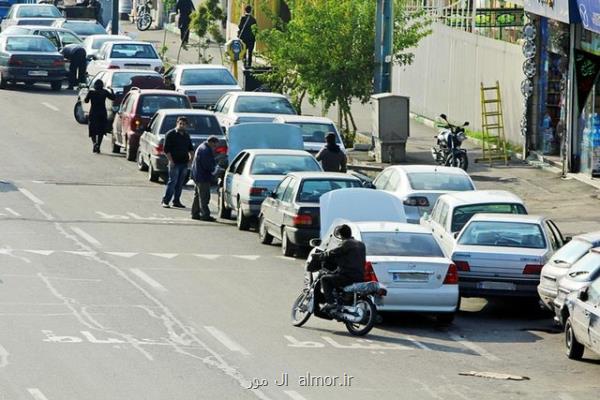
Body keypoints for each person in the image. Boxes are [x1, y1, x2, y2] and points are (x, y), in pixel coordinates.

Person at [318, 224, 366, 312]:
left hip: (348, 277)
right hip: (360, 276)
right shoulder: (361, 244)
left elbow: (333, 252)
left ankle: (330, 303)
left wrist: (322, 255)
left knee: (325, 279)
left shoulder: (346, 243)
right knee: (335, 277)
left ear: (340, 235)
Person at [162, 116, 194, 208]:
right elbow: (166, 150)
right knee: (172, 182)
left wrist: (191, 160)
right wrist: (170, 161)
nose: (182, 125)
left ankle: (176, 201)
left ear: (186, 125)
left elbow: (190, 149)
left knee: (180, 184)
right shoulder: (170, 134)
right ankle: (165, 201)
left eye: (184, 124)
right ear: (177, 123)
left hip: (184, 163)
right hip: (174, 163)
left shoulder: (186, 135)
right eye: (180, 123)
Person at [190, 136, 219, 221]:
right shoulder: (205, 150)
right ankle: (205, 215)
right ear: (211, 142)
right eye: (215, 145)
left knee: (198, 196)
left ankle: (195, 213)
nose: (215, 147)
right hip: (203, 177)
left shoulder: (202, 147)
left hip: (197, 175)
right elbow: (207, 165)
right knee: (204, 196)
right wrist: (214, 170)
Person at [84, 80, 116, 153]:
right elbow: (113, 98)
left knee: (93, 130)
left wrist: (87, 94)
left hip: (93, 113)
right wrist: (112, 91)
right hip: (102, 113)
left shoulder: (91, 92)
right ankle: (98, 145)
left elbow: (86, 101)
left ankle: (94, 143)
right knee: (101, 131)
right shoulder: (104, 92)